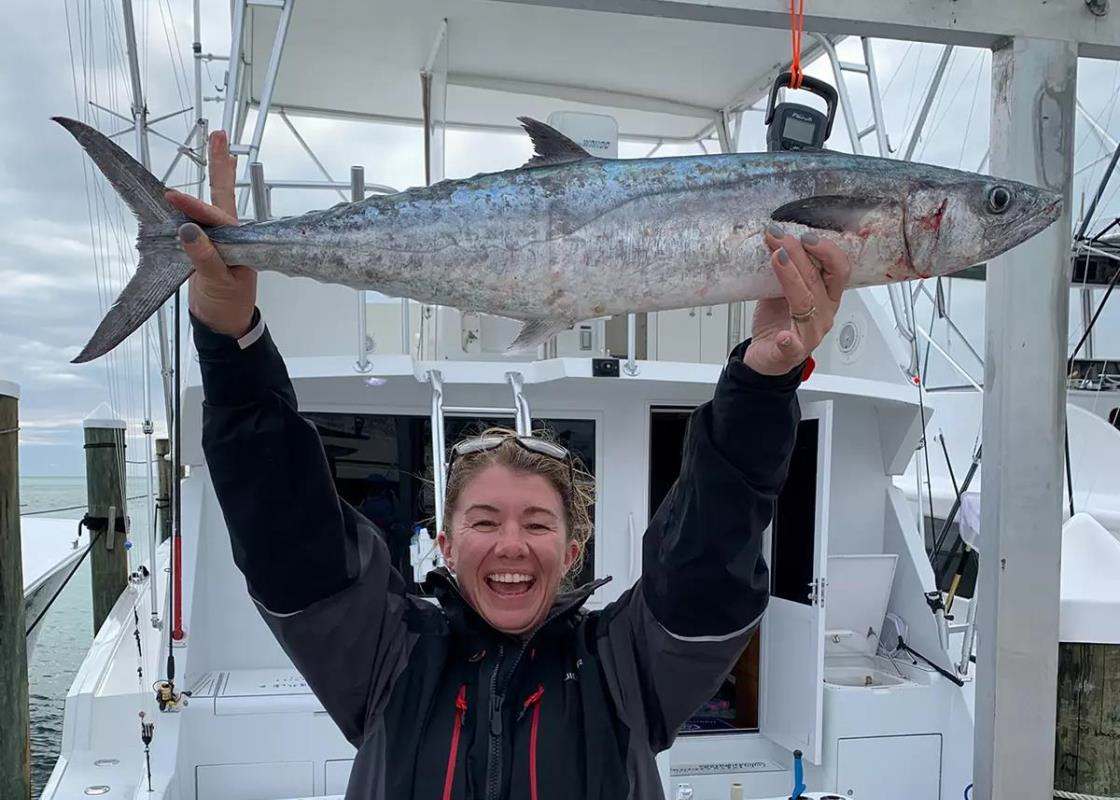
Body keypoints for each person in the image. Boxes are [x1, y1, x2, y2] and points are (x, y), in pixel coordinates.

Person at [169, 129, 851, 800]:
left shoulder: (625, 671)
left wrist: (761, 383)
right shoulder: (387, 658)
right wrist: (231, 340)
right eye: (485, 519)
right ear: (444, 544)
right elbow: (285, 531)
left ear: (574, 549)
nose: (511, 545)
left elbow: (708, 565)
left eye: (538, 524)